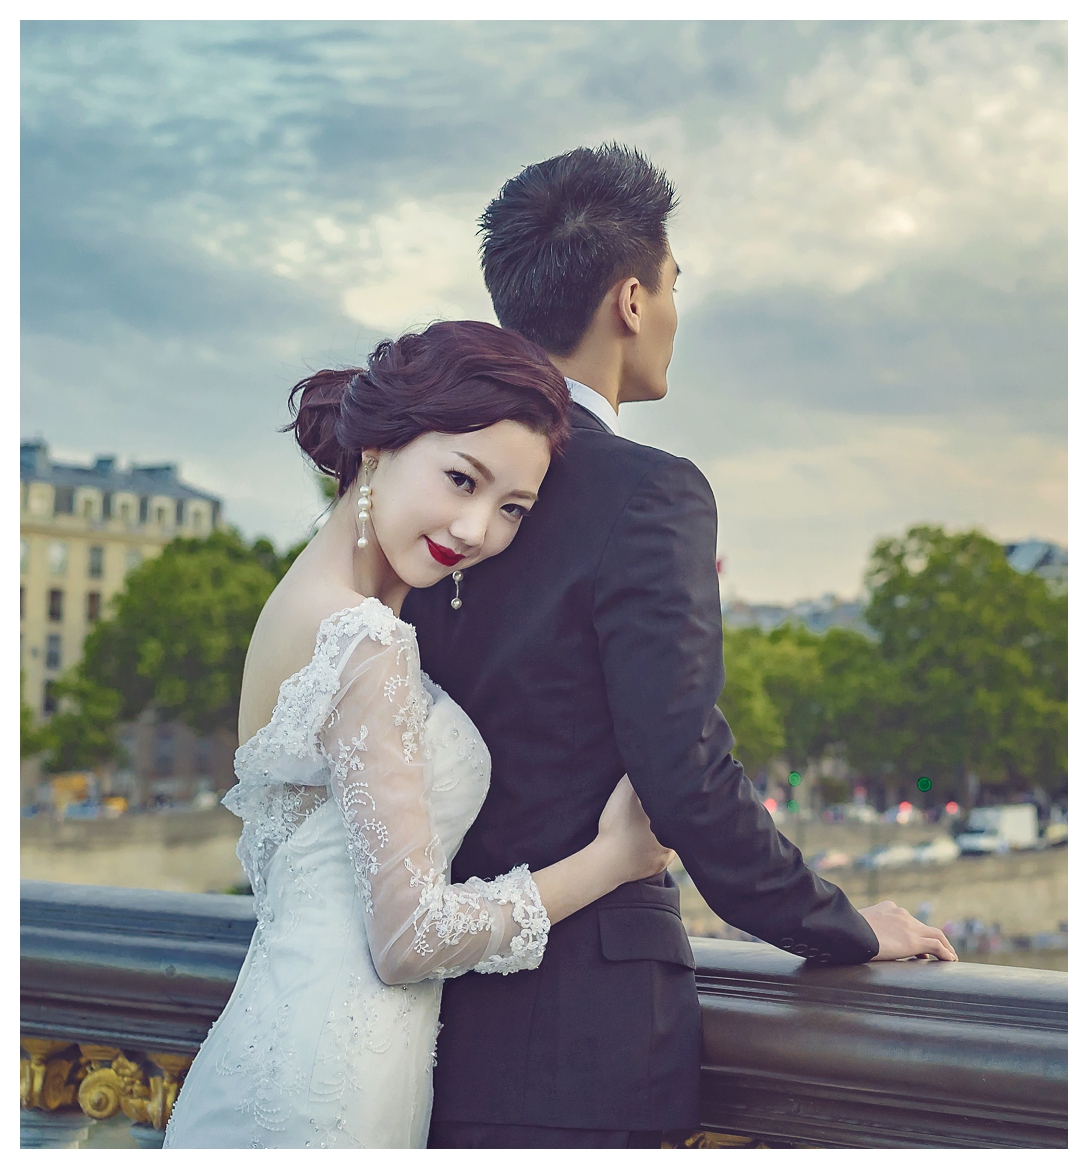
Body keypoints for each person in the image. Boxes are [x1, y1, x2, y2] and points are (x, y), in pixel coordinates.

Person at [406, 144, 954, 1150]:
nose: (670, 313)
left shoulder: (425, 487)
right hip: (582, 1043)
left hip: (416, 1037)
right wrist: (840, 923)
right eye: (672, 286)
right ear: (628, 299)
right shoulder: (648, 490)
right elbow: (684, 771)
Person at [167, 321, 682, 1148]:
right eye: (460, 478)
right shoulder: (362, 640)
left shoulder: (315, 600)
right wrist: (611, 860)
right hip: (333, 1084)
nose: (478, 529)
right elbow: (413, 937)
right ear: (377, 448)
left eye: (511, 506)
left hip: (291, 1046)